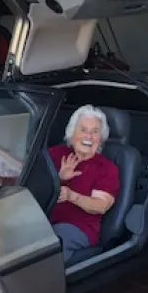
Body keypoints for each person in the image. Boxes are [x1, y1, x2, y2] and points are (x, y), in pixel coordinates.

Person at [48, 105, 120, 263]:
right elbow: (32, 186)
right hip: (43, 220)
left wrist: (71, 195)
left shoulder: (106, 168)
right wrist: (59, 179)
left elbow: (101, 205)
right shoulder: (54, 154)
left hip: (79, 229)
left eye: (95, 132)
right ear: (71, 134)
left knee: (52, 242)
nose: (88, 136)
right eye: (83, 130)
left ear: (100, 139)